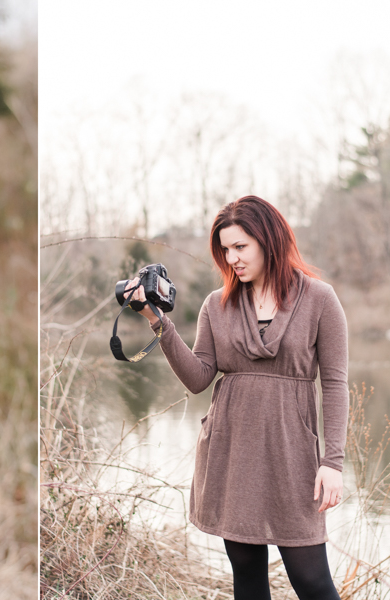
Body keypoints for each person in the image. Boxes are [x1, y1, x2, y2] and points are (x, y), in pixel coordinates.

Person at [124, 195, 347, 600]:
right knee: (246, 576)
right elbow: (198, 378)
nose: (231, 259)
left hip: (292, 453)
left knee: (312, 581)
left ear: (269, 240)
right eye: (225, 250)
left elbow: (334, 384)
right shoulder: (217, 304)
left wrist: (333, 461)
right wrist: (155, 319)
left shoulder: (320, 300)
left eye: (240, 247)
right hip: (231, 453)